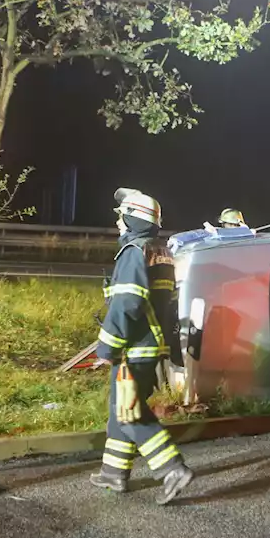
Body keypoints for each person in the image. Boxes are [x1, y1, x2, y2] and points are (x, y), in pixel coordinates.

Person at [90, 187, 195, 506]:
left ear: (132, 218)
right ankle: (114, 472)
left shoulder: (134, 251)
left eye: (121, 217)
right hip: (152, 345)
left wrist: (107, 348)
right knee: (120, 409)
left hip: (133, 348)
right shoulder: (159, 251)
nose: (118, 222)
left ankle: (172, 469)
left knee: (129, 412)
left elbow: (127, 304)